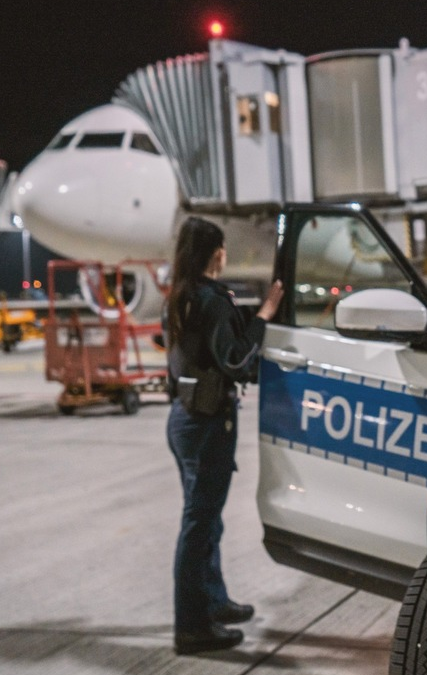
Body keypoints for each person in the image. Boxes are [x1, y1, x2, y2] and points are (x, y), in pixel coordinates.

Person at [163, 217, 283, 655]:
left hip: (184, 418)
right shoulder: (212, 300)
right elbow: (236, 360)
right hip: (209, 423)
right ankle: (192, 626)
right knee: (198, 525)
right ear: (216, 253)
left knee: (204, 519)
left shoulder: (180, 296)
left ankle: (212, 602)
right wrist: (265, 316)